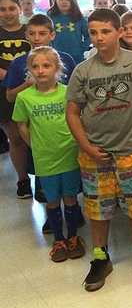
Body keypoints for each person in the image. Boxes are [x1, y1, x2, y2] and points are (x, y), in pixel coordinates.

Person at [65, 8, 132, 292]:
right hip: (96, 153)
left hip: (130, 148)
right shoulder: (83, 70)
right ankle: (100, 257)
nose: (99, 38)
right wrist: (87, 146)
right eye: (93, 32)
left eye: (105, 31)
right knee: (97, 208)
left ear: (119, 32)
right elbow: (72, 112)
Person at [13, 46, 86, 262]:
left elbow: (78, 119)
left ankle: (73, 237)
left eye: (46, 65)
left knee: (70, 197)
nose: (41, 70)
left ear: (57, 68)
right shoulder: (24, 97)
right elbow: (22, 125)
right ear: (29, 70)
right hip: (44, 159)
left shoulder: (68, 93)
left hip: (70, 154)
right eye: (35, 66)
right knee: (52, 200)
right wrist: (35, 146)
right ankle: (59, 240)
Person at [0, 0, 33, 198]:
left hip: (33, 87)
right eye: (2, 9)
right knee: (15, 137)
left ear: (19, 9)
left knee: (38, 134)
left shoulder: (29, 31)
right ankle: (23, 179)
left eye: (12, 8)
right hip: (5, 91)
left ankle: (44, 176)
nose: (8, 13)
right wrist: (11, 76)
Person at [47, 0, 89, 65]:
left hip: (77, 56)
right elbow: (46, 35)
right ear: (56, 0)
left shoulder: (79, 17)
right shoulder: (50, 17)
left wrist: (83, 48)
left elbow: (88, 35)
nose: (64, 2)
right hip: (56, 56)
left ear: (73, 2)